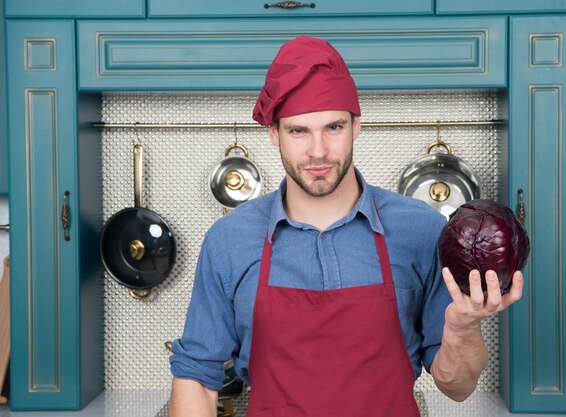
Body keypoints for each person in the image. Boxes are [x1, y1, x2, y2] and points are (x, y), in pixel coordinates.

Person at [168, 35, 524, 417]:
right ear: (274, 134)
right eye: (298, 131)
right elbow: (196, 378)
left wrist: (464, 327)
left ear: (356, 125)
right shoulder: (229, 240)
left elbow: (457, 386)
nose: (318, 150)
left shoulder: (421, 230)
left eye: (333, 127)